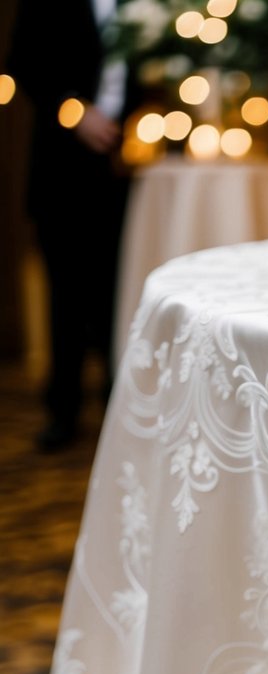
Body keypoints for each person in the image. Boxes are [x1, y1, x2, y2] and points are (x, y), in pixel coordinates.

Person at [7, 0, 132, 451]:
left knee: (119, 294)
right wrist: (76, 113)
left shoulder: (148, 7)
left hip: (129, 171)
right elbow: (23, 63)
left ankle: (119, 404)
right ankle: (63, 408)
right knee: (66, 295)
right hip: (61, 169)